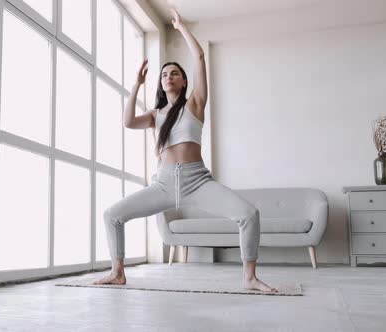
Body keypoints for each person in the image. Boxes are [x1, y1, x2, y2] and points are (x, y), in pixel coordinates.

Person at [93, 8, 276, 293]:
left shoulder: (195, 104)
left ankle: (250, 278)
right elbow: (128, 121)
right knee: (111, 215)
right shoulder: (155, 115)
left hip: (197, 180)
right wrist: (136, 85)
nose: (169, 76)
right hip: (163, 183)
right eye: (164, 74)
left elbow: (200, 57)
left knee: (249, 214)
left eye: (175, 73)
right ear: (161, 83)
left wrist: (180, 28)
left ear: (184, 81)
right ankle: (118, 272)